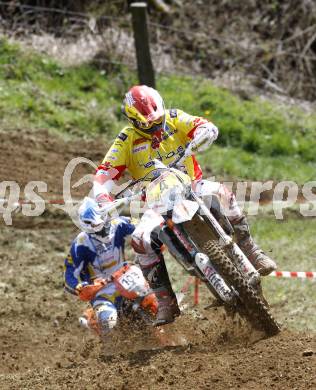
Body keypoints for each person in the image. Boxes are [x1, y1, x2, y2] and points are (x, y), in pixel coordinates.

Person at [92, 85, 277, 324]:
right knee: (139, 240)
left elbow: (201, 124)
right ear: (133, 120)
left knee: (224, 193)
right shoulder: (126, 140)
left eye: (156, 121)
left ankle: (251, 249)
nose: (154, 127)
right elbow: (104, 173)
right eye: (146, 124)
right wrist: (102, 197)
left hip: (192, 185)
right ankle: (166, 301)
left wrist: (205, 131)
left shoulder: (174, 118)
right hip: (157, 202)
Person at [64, 197, 136, 335]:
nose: (103, 231)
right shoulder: (81, 243)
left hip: (126, 280)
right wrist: (79, 286)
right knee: (109, 321)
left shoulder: (118, 224)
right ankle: (110, 351)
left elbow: (140, 228)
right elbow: (70, 273)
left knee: (151, 301)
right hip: (102, 292)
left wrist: (150, 240)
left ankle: (170, 334)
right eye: (96, 227)